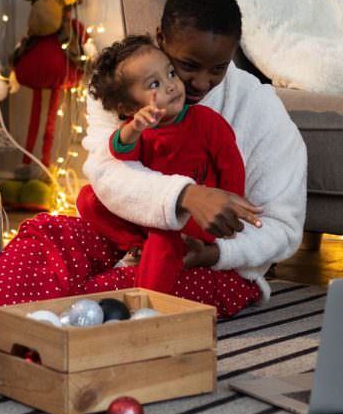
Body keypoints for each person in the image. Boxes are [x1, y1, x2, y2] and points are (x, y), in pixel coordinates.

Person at [0, 0, 307, 376]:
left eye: (217, 68)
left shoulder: (262, 112)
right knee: (48, 232)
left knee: (125, 287)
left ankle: (3, 344)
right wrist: (186, 195)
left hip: (217, 267)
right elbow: (107, 172)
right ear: (161, 38)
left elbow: (284, 228)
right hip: (124, 233)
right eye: (187, 66)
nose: (200, 83)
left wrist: (213, 254)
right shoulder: (122, 81)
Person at [76, 33, 248, 295]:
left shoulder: (205, 121)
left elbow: (231, 163)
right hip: (149, 216)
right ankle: (137, 246)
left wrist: (229, 206)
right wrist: (134, 128)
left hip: (194, 218)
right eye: (154, 84)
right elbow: (119, 156)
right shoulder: (140, 130)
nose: (171, 86)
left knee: (162, 237)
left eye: (170, 73)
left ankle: (149, 305)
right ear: (130, 106)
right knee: (88, 199)